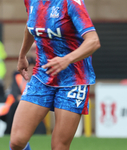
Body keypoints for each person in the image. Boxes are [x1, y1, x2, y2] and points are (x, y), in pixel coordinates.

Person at [10, 0, 101, 150]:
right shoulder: (31, 1)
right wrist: (22, 55)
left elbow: (93, 41)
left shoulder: (70, 3)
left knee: (59, 146)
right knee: (16, 141)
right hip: (42, 76)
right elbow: (31, 26)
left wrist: (67, 59)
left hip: (74, 80)